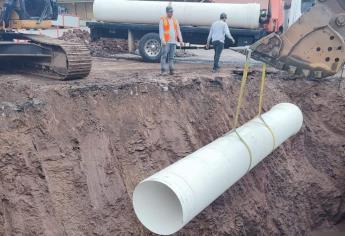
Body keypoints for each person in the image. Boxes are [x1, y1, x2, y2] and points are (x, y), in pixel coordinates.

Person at [159, 6, 184, 75]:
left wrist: (181, 40)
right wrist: (162, 39)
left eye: (172, 12)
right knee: (164, 56)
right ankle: (163, 70)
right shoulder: (163, 19)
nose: (171, 13)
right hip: (166, 41)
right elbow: (161, 31)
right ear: (167, 12)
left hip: (173, 41)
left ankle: (171, 70)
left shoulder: (175, 20)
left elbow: (178, 31)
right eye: (170, 12)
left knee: (171, 57)